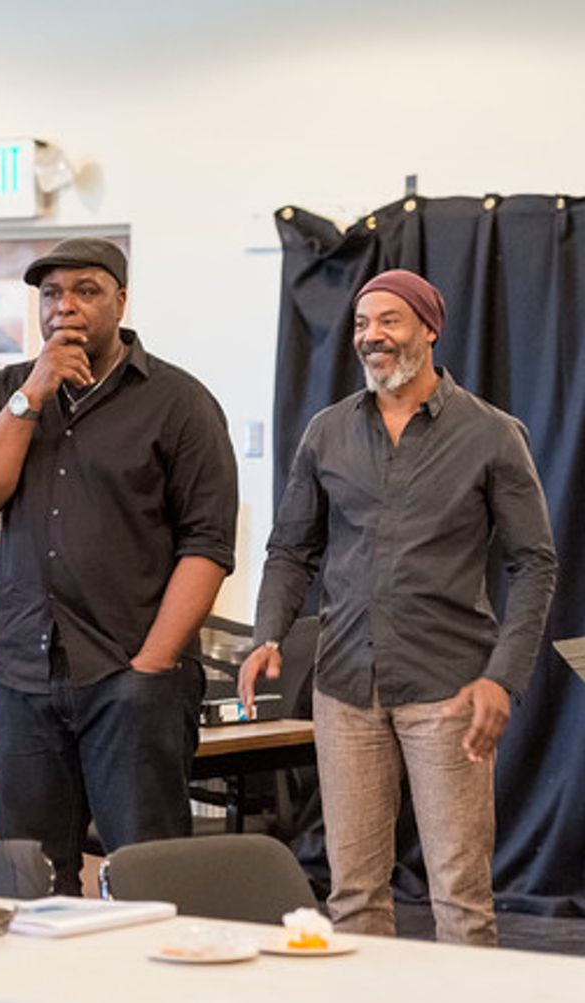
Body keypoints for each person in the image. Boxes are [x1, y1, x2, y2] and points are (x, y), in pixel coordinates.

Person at [239, 269, 557, 945]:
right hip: (345, 687)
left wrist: (502, 676)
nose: (371, 335)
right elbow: (291, 549)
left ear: (429, 329)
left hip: (449, 689)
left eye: (389, 320)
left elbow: (534, 563)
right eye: (362, 323)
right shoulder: (327, 432)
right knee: (353, 893)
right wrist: (267, 633)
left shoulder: (493, 435)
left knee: (461, 897)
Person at [0, 237, 239, 895]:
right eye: (51, 294)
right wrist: (32, 395)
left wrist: (151, 666)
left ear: (121, 301)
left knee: (148, 880)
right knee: (31, 882)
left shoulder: (179, 402)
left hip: (130, 678)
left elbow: (208, 546)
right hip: (24, 676)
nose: (65, 307)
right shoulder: (7, 391)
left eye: (86, 291)